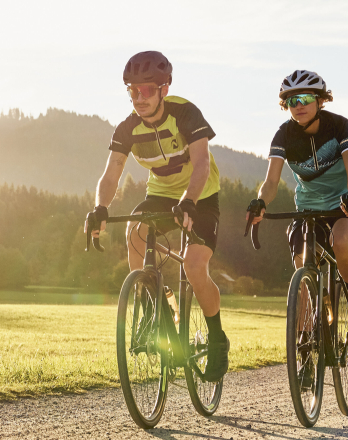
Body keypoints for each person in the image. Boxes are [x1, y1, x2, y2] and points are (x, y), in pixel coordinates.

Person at [85, 51, 228, 382]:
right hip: (161, 195)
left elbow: (202, 163)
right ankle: (153, 311)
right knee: (134, 232)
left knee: (194, 267)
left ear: (164, 88)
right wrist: (100, 208)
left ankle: (218, 339)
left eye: (146, 90)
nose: (139, 98)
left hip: (201, 195)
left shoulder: (185, 114)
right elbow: (112, 174)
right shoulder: (129, 128)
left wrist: (190, 201)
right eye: (132, 91)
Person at [246, 70, 348, 354]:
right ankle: (303, 342)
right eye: (291, 101)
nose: (298, 106)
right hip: (308, 208)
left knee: (341, 242)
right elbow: (271, 181)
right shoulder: (284, 134)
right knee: (303, 265)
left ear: (320, 100)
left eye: (304, 98)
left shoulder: (339, 126)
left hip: (345, 203)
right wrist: (260, 202)